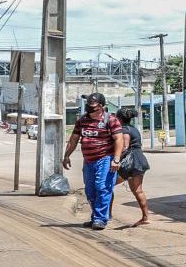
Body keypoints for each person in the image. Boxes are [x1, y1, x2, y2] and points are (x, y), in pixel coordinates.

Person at [62, 93, 122, 231]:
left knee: (102, 187)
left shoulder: (111, 120)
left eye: (93, 108)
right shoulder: (82, 121)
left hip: (106, 158)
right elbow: (73, 139)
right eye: (89, 107)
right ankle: (95, 216)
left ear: (102, 107)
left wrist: (116, 159)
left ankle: (101, 219)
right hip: (88, 161)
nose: (90, 111)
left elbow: (119, 139)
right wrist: (66, 156)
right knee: (90, 191)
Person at [112, 108, 151, 227]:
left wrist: (115, 159)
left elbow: (124, 147)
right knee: (138, 190)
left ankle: (107, 214)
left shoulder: (124, 130)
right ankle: (145, 217)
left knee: (107, 185)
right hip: (139, 160)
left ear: (119, 119)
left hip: (131, 162)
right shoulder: (133, 129)